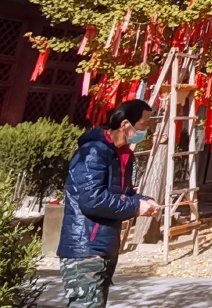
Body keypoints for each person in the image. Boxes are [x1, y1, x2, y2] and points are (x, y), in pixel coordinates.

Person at [58, 99, 161, 308]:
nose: (147, 129)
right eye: (144, 123)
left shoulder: (123, 154)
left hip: (105, 245)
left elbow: (123, 194)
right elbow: (92, 200)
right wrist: (135, 207)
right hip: (85, 247)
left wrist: (142, 200)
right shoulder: (93, 152)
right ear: (125, 124)